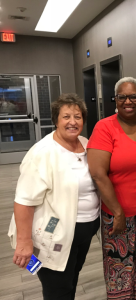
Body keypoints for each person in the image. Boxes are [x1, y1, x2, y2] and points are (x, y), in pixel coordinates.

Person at [8, 94, 100, 300]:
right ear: (56, 120)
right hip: (53, 235)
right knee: (57, 290)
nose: (72, 122)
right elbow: (24, 201)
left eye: (77, 116)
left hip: (83, 231)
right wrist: (24, 243)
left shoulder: (85, 143)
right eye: (66, 116)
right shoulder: (42, 153)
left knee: (71, 280)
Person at [87, 77, 136, 300]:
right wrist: (118, 212)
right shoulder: (104, 127)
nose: (127, 101)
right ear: (115, 100)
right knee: (120, 266)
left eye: (133, 96)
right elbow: (98, 174)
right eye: (122, 97)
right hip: (117, 213)